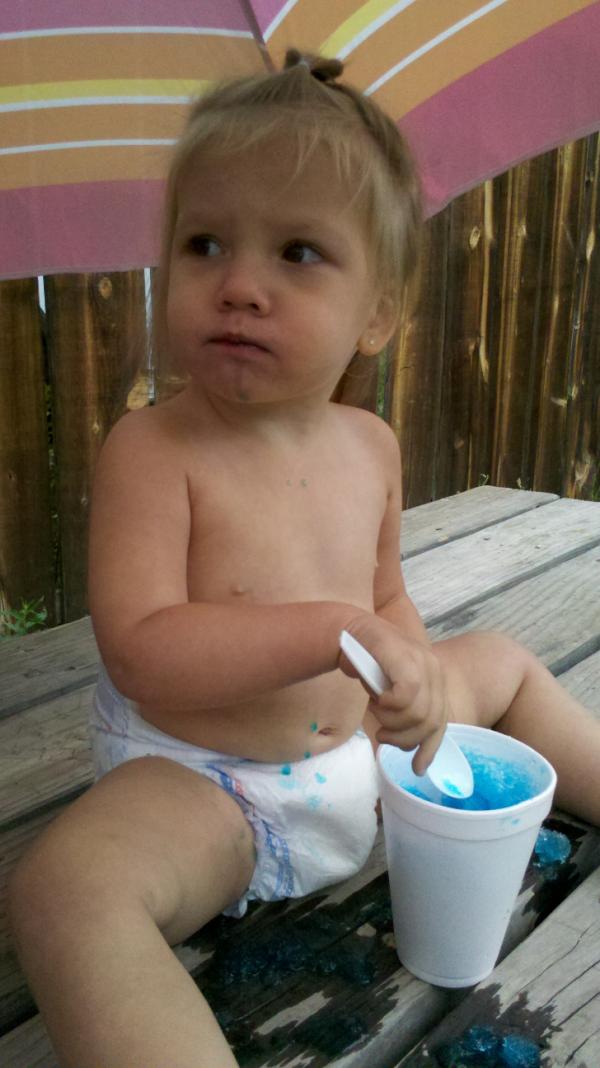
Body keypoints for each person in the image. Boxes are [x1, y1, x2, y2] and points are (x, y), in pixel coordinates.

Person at [8, 50, 600, 1068]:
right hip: (211, 786)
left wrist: (407, 675)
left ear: (378, 313)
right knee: (64, 889)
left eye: (297, 253)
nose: (239, 284)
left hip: (365, 758)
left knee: (499, 659)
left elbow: (385, 598)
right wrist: (332, 632)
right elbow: (145, 651)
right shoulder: (152, 451)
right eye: (204, 244)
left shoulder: (368, 446)